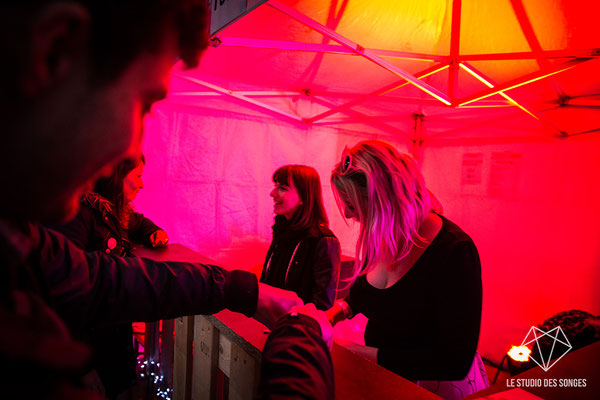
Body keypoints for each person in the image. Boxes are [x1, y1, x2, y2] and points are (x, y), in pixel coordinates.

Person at [0, 1, 328, 398]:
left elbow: (99, 281)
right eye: (143, 102)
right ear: (55, 52)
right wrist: (300, 334)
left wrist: (242, 290)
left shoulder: (19, 244)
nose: (131, 147)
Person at [326, 140, 486, 398]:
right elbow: (363, 294)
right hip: (384, 381)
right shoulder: (383, 237)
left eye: (352, 204)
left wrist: (356, 353)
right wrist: (333, 313)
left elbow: (453, 361)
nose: (346, 213)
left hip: (429, 389)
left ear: (384, 199)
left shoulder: (454, 251)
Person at [48, 154, 168, 398]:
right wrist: (82, 366)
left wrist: (154, 232)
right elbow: (64, 298)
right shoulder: (80, 216)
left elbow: (137, 222)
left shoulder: (110, 211)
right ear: (116, 178)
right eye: (138, 176)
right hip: (89, 346)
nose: (142, 184)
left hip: (108, 335)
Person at [261, 165, 341, 310]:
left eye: (283, 188)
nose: (272, 193)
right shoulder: (281, 232)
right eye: (275, 186)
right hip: (270, 324)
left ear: (303, 197)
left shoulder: (322, 241)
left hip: (297, 329)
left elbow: (322, 305)